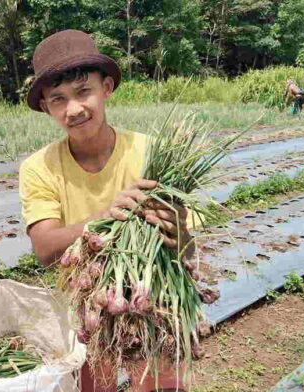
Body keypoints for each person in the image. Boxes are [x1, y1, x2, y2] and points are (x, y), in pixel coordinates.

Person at [19, 29, 194, 392]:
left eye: (84, 92)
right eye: (58, 99)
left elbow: (187, 248)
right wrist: (104, 216)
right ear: (45, 107)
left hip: (153, 305)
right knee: (95, 388)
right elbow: (45, 248)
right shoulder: (39, 167)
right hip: (87, 310)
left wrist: (179, 230)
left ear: (107, 88)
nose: (74, 109)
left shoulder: (151, 153)